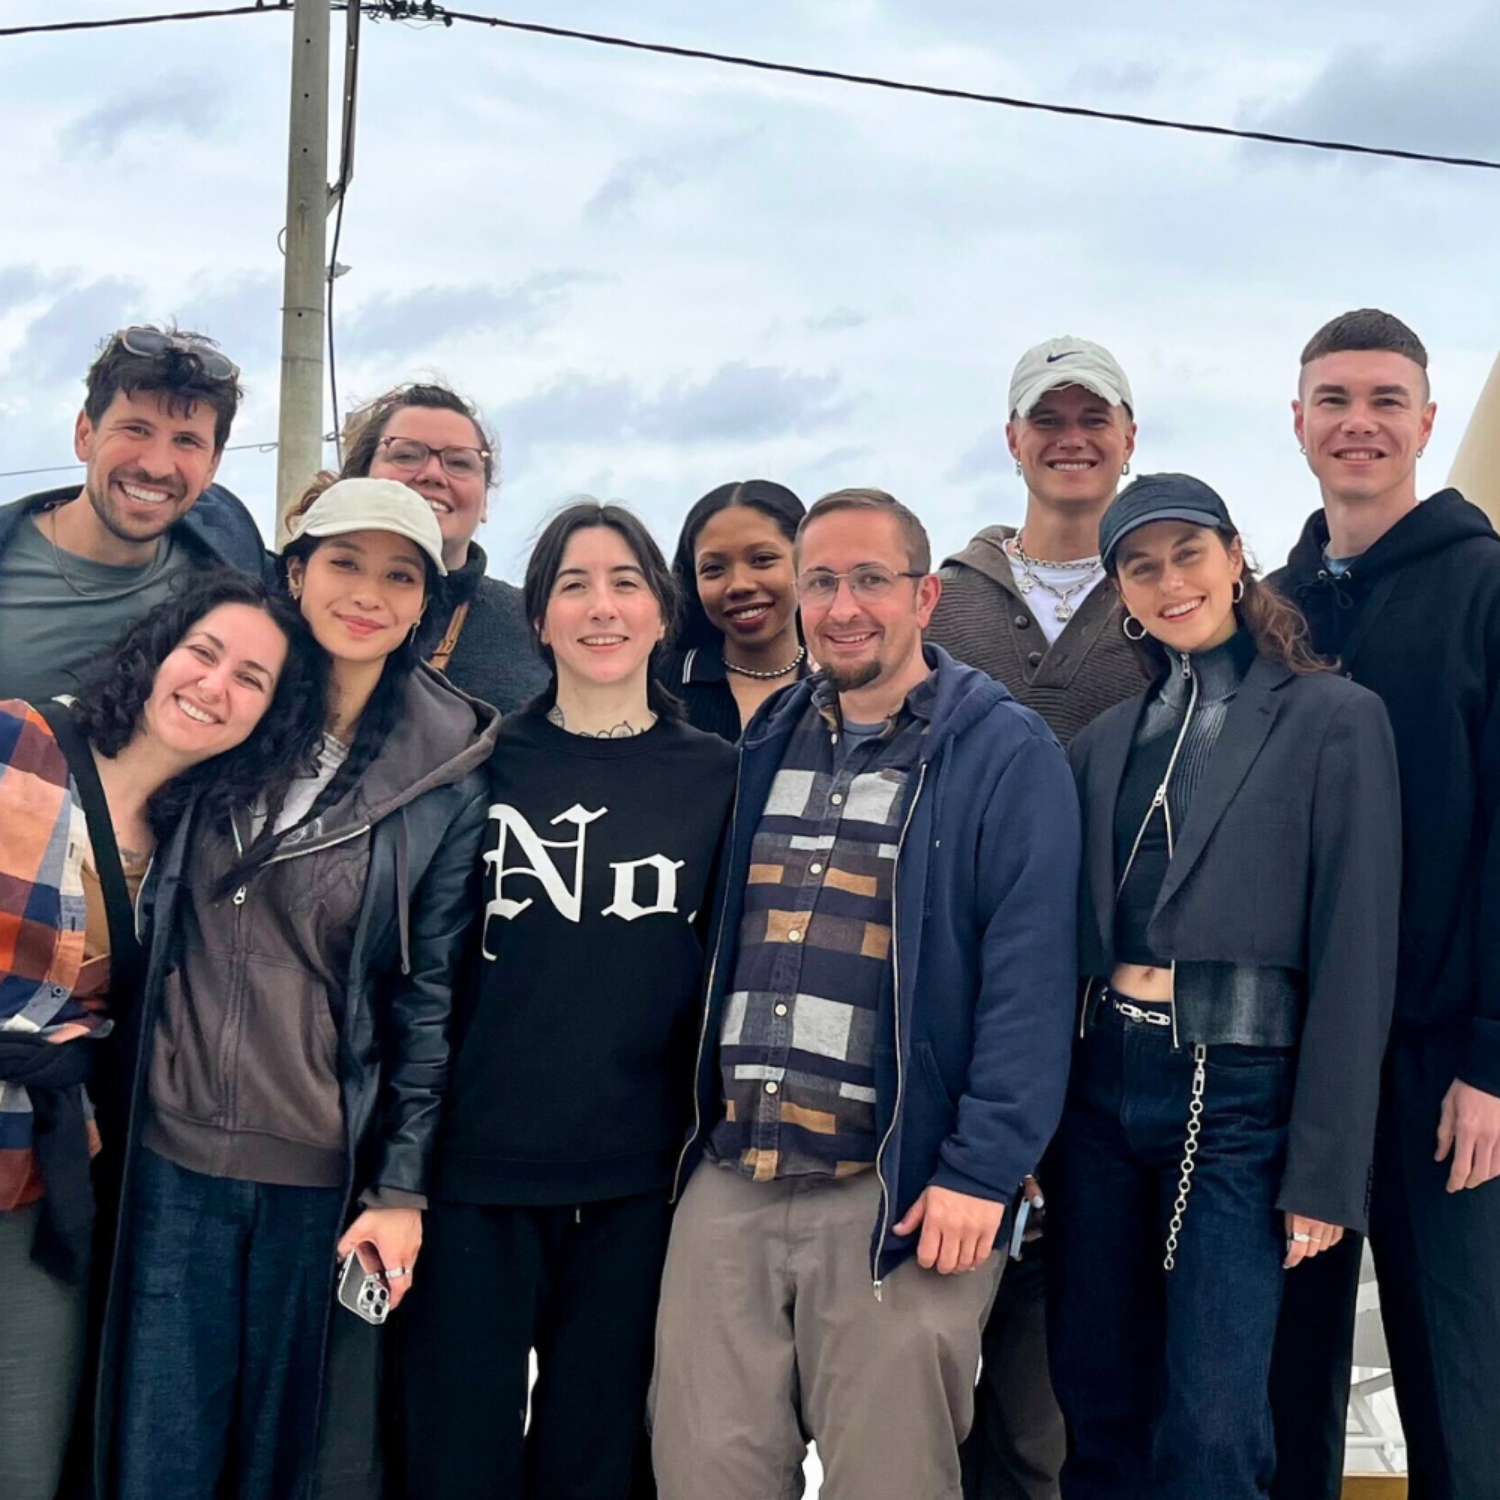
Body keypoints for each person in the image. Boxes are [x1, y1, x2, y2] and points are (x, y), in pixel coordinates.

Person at [650, 487, 1081, 1500]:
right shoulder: (765, 747)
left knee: (890, 1481)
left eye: (872, 581)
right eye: (823, 583)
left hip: (895, 1193)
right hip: (735, 1174)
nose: (845, 607)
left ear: (925, 596)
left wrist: (983, 1171)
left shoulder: (1002, 752)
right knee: (704, 1471)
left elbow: (1031, 980)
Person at [99, 478, 498, 1500]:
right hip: (167, 1154)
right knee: (156, 1460)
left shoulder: (444, 772)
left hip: (319, 1175)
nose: (366, 594)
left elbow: (428, 1003)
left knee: (294, 1467)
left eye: (399, 576)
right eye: (344, 564)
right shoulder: (228, 709)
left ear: (427, 605)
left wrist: (399, 1186)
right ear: (296, 572)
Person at [1051, 473, 1401, 1500]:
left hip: (1239, 1095)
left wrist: (1329, 1171)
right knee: (1099, 1397)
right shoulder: (1100, 744)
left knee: (1212, 1425)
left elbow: (1358, 947)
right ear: (1120, 590)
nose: (1169, 581)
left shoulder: (1336, 718)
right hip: (1097, 1088)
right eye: (1141, 565)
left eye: (1188, 554)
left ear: (1236, 556)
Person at [402, 500, 736, 1500]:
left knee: (598, 1459)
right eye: (574, 586)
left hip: (639, 1173)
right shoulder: (479, 760)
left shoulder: (718, 777)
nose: (602, 607)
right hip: (476, 1167)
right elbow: (427, 968)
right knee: (456, 1456)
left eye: (625, 583)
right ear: (537, 617)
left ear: (663, 613)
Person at [0, 570, 319, 1500]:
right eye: (204, 653)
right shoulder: (20, 738)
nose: (215, 686)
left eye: (251, 680)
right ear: (157, 653)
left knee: (25, 1459)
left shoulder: (198, 846)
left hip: (40, 1180)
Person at [1268, 310, 1500, 1500]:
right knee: (1281, 1392)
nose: (1358, 423)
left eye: (1384, 400)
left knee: (1461, 1399)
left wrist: (1492, 1061)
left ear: (1425, 416)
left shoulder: (1488, 586)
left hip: (1440, 1070)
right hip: (1288, 1063)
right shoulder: (1268, 609)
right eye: (1335, 399)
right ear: (1297, 419)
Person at [928, 335, 1148, 1500]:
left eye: (1093, 416)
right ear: (1012, 438)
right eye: (1047, 418)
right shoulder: (944, 603)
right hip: (958, 1010)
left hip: (1118, 1020)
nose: (1071, 437)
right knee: (941, 1307)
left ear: (1128, 435)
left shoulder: (1174, 586)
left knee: (1074, 1343)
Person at [0, 326, 269, 702]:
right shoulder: (11, 558)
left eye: (186, 441)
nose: (157, 466)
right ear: (84, 435)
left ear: (213, 465)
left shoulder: (234, 551)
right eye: (136, 429)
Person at [335, 381, 549, 710]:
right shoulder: (288, 608)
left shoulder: (537, 629)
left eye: (460, 463)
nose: (433, 474)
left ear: (485, 503)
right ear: (357, 482)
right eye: (406, 455)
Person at [663, 479, 809, 739]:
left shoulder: (844, 688)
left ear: (805, 561)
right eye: (714, 569)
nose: (739, 585)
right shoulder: (653, 687)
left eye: (762, 560)